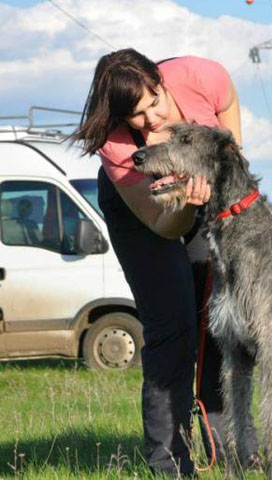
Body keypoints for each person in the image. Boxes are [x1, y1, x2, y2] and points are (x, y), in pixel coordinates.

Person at [72, 49, 258, 477]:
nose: (152, 118)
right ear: (120, 117)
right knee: (173, 327)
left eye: (154, 100)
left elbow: (227, 98)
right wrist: (188, 205)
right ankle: (170, 461)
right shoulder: (116, 145)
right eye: (136, 115)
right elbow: (163, 226)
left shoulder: (197, 75)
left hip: (200, 195)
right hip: (151, 217)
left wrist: (234, 155)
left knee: (218, 323)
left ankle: (230, 446)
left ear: (160, 81)